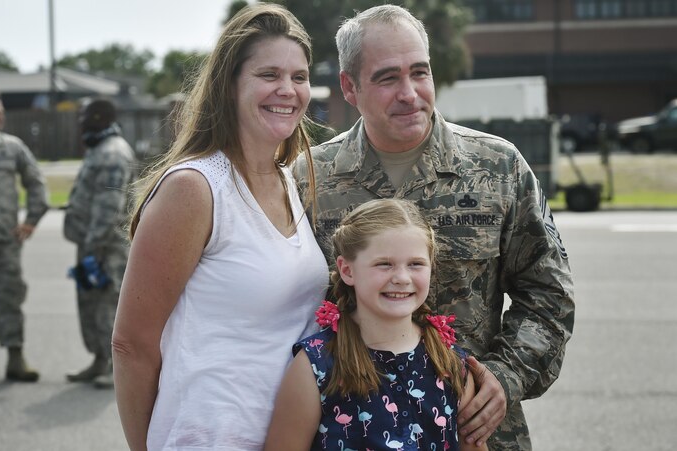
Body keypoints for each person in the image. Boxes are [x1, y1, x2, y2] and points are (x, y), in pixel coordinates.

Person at [292, 5, 575, 450]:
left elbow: (548, 292)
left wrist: (504, 376)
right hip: (355, 428)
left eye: (419, 73)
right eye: (387, 78)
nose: (410, 93)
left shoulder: (498, 167)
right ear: (350, 87)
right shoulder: (309, 179)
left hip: (475, 431)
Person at [111, 4, 328, 450]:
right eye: (269, 75)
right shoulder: (195, 188)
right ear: (229, 85)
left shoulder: (288, 179)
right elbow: (131, 344)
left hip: (286, 437)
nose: (287, 90)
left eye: (299, 77)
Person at [266, 198, 488, 451]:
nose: (402, 278)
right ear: (347, 270)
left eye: (415, 264)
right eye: (384, 264)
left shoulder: (451, 365)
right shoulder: (316, 365)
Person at [63, 98, 137, 389]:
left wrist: (92, 248)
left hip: (106, 247)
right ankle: (97, 360)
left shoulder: (112, 153)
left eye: (83, 116)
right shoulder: (99, 148)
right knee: (90, 303)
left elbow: (108, 209)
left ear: (97, 118)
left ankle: (112, 368)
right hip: (91, 243)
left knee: (107, 303)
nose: (80, 121)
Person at [0, 92, 49, 382]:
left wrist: (31, 219)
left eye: (0, 112)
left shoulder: (12, 147)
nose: (0, 117)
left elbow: (36, 181)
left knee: (10, 298)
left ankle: (16, 358)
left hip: (6, 240)